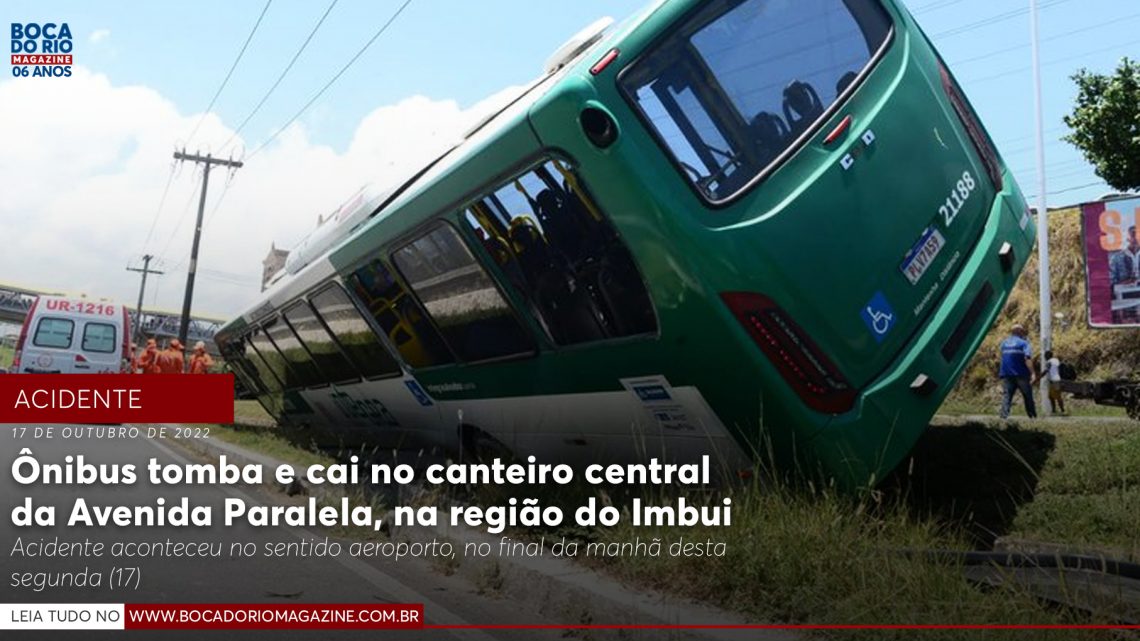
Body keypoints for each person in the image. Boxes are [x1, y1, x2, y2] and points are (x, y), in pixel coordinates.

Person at [998, 323, 1036, 419]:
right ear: (1020, 331)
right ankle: (1032, 416)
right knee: (1027, 395)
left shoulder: (1004, 343)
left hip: (1007, 374)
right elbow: (1027, 358)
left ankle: (1003, 416)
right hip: (1021, 374)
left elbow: (1003, 357)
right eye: (1023, 331)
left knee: (1007, 396)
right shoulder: (1024, 343)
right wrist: (1033, 373)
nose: (1024, 333)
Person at [1037, 349, 1066, 415]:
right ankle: (1054, 410)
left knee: (1057, 396)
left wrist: (1039, 377)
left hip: (1054, 380)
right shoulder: (1056, 360)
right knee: (1051, 396)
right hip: (1057, 380)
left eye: (1045, 356)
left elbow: (1046, 371)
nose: (1044, 357)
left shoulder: (1049, 362)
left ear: (1047, 356)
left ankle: (1062, 410)